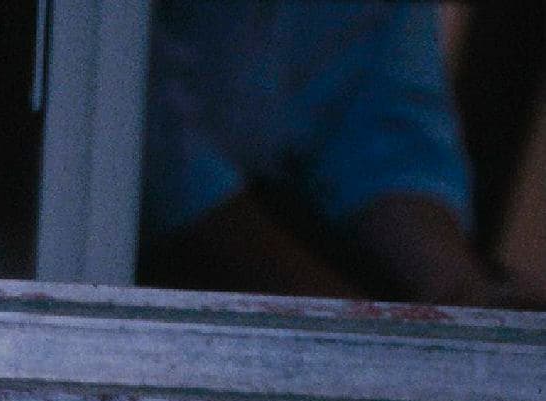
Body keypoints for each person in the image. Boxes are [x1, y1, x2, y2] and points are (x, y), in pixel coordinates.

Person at [142, 0, 545, 307]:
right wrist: (356, 333)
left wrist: (460, 292)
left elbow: (386, 111)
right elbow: (154, 152)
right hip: (144, 264)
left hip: (295, 230)